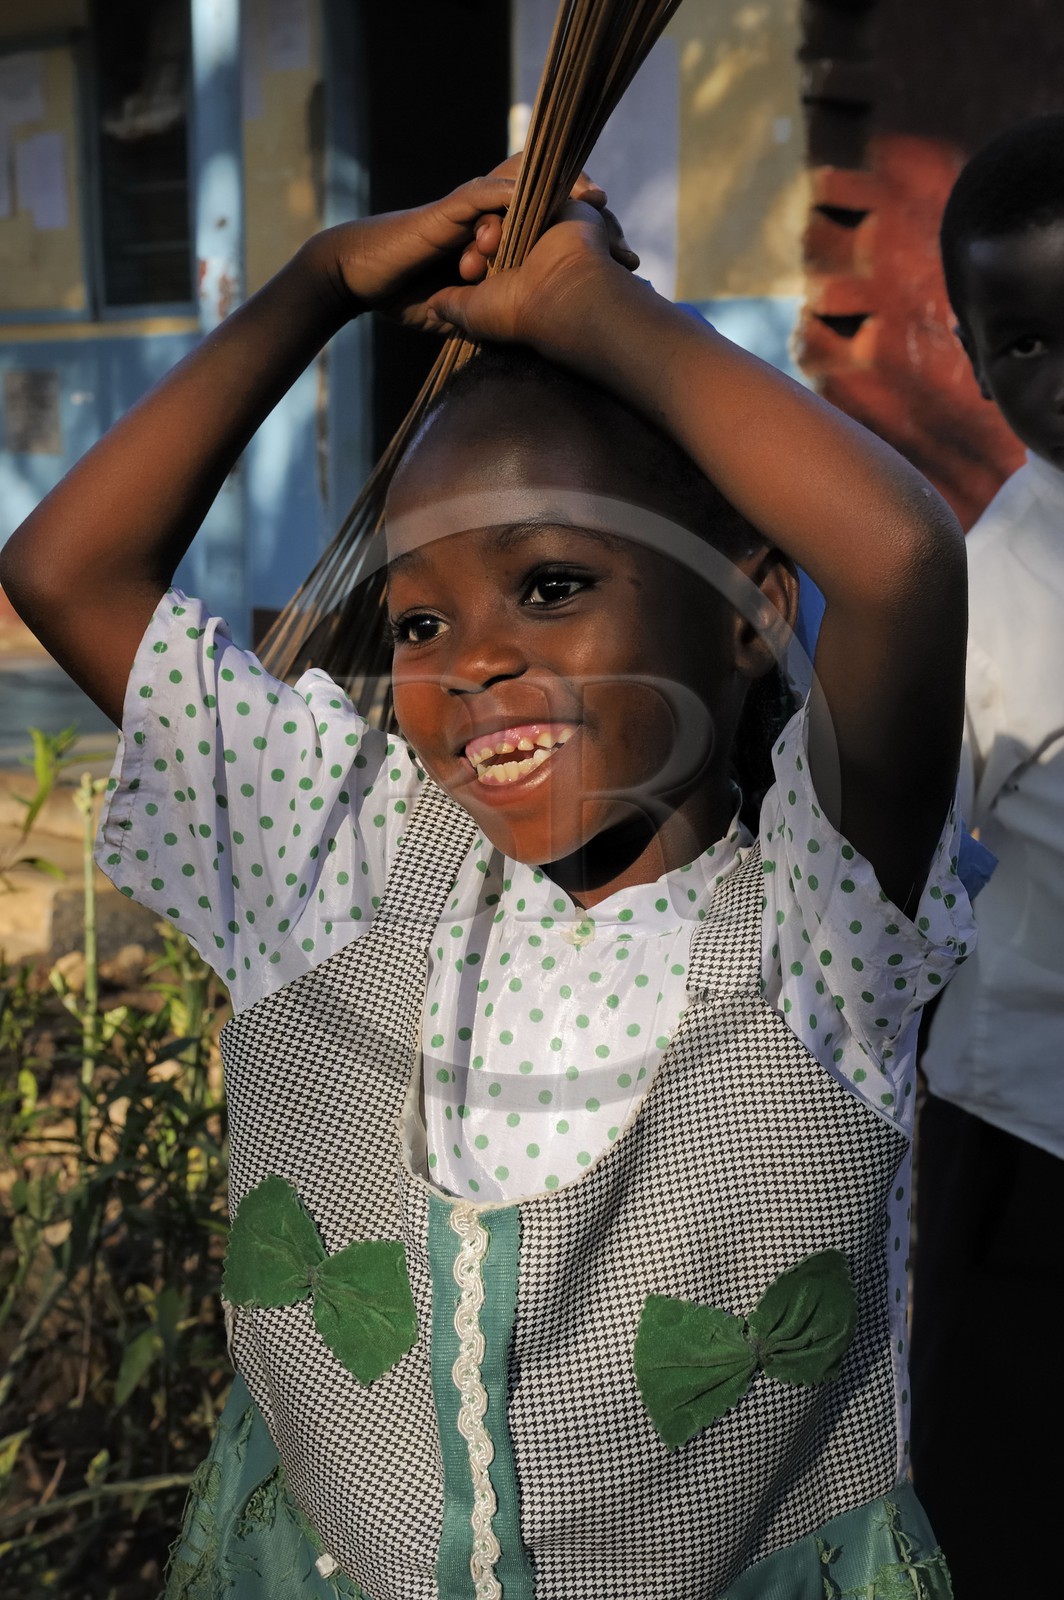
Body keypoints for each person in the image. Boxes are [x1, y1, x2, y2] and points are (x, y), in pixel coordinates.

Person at [0, 153, 973, 1599]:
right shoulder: (343, 861)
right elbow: (64, 569)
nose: (476, 664)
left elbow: (899, 560)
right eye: (417, 623)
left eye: (556, 586)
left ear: (754, 610)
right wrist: (322, 280)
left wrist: (598, 312)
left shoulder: (818, 935)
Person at [911, 113, 1064, 1598]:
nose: (1061, 382)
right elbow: (899, 847)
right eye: (1022, 345)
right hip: (1026, 1135)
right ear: (968, 357)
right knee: (1010, 1500)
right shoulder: (996, 586)